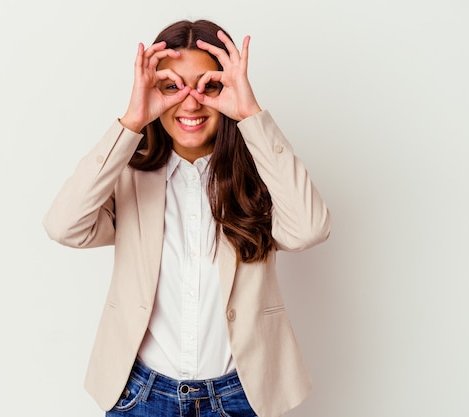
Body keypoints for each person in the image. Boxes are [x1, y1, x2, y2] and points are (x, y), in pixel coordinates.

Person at [43, 19, 330, 417]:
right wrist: (131, 120)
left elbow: (309, 228)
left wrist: (250, 113)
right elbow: (63, 225)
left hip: (241, 397)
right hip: (140, 396)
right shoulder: (128, 175)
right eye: (172, 87)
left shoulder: (260, 175)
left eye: (208, 86)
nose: (191, 102)